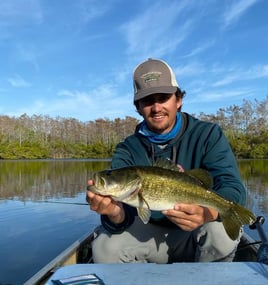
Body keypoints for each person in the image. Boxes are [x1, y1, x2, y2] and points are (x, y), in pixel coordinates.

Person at [86, 58, 246, 263]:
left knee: (221, 235)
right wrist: (114, 213)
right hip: (146, 237)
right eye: (147, 101)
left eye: (163, 97)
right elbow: (122, 216)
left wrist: (208, 213)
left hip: (196, 234)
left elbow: (233, 187)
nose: (156, 107)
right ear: (138, 107)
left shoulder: (208, 134)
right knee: (104, 246)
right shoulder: (127, 149)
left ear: (178, 100)